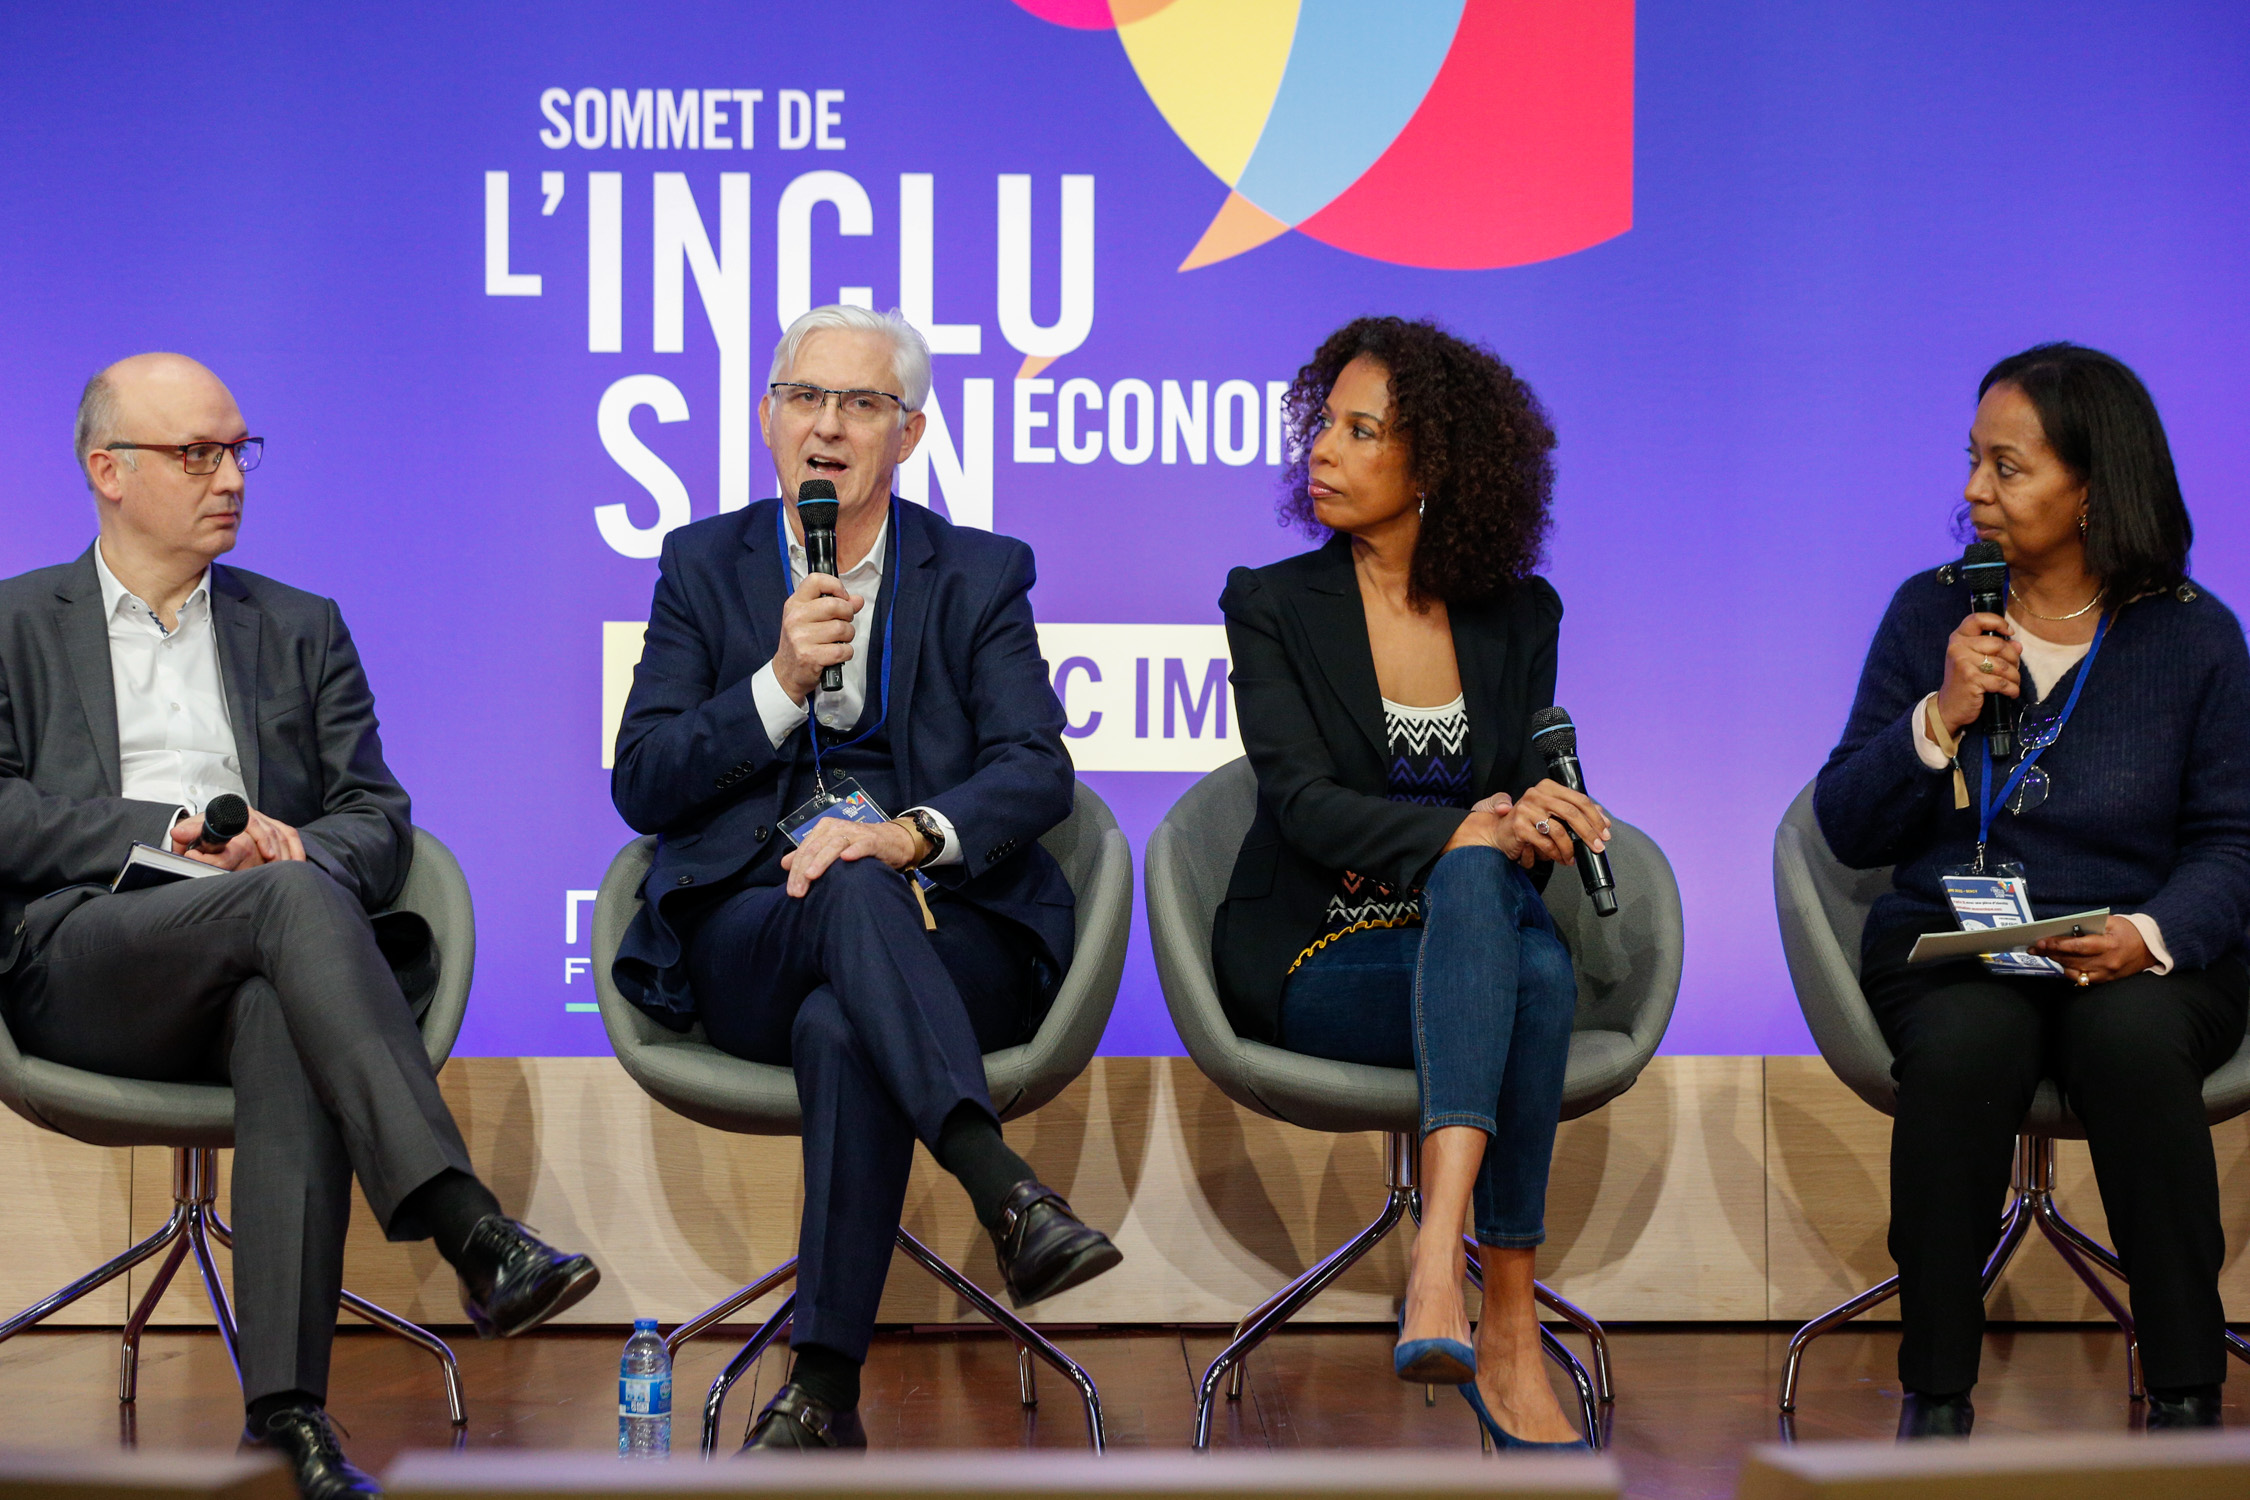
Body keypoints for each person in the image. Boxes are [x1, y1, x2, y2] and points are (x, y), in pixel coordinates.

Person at [0, 354, 598, 1498]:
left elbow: (378, 819)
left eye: (239, 450)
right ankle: (466, 1223)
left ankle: (287, 1414)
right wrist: (167, 830)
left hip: (263, 952)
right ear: (106, 471)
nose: (230, 477)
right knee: (286, 911)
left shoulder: (301, 626)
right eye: (197, 454)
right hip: (88, 963)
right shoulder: (17, 623)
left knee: (282, 982)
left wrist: (293, 846)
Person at [610, 304, 1120, 1452]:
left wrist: (906, 834)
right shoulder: (704, 567)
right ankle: (1002, 1184)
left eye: (861, 404)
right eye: (805, 398)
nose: (827, 427)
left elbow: (1036, 769)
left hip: (946, 923)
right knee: (834, 896)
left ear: (912, 434)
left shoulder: (979, 573)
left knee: (849, 1003)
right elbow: (643, 780)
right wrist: (778, 682)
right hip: (752, 932)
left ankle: (822, 1393)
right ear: (765, 419)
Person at [1816, 343, 2250, 1436]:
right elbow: (1846, 821)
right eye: (1973, 461)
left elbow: (2234, 841)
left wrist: (2148, 933)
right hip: (1958, 943)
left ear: (2094, 486)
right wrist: (1938, 716)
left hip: (2134, 955)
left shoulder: (2194, 635)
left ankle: (2190, 1395)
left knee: (2133, 1043)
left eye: (2006, 468)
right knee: (1967, 1049)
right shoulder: (1932, 615)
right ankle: (1939, 1396)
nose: (1972, 491)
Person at [1213, 316, 1601, 1451]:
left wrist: (1544, 810)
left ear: (1434, 465)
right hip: (1324, 945)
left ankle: (1447, 1274)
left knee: (1509, 933)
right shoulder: (1274, 603)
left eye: (1361, 429)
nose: (1322, 448)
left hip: (1468, 935)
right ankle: (1493, 1300)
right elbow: (1300, 801)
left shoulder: (1520, 615)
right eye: (1323, 421)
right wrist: (1469, 838)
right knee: (1521, 953)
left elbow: (1527, 772)